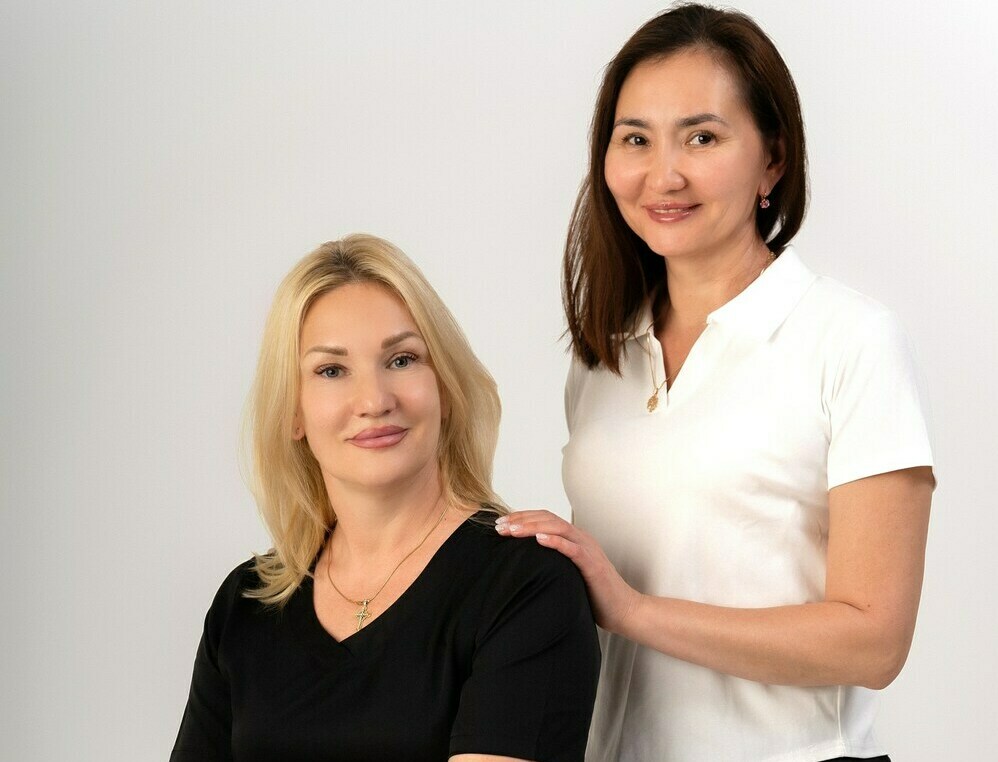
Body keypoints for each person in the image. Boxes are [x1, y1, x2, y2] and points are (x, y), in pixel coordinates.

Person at [497, 5, 934, 761]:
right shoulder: (603, 355)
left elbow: (874, 641)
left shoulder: (851, 339)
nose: (664, 175)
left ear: (773, 161)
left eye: (702, 137)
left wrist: (633, 610)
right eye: (636, 139)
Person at [171, 234, 600, 761]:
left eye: (401, 360)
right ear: (294, 412)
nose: (374, 400)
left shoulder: (527, 585)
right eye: (331, 370)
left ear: (445, 386)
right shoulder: (245, 605)